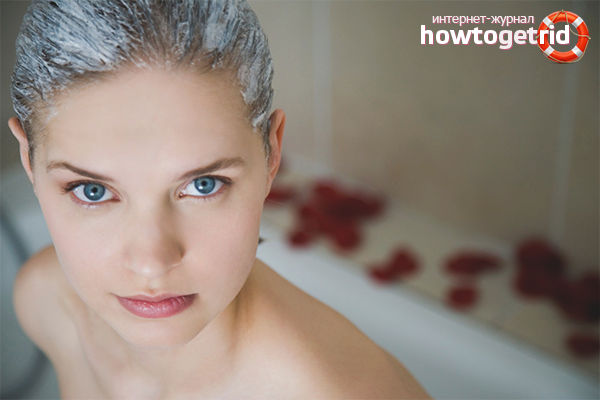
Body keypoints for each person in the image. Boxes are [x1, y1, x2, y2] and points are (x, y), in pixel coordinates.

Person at [8, 0, 433, 398]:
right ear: (29, 162)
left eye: (204, 185)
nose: (151, 263)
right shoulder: (47, 300)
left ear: (272, 155)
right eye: (92, 191)